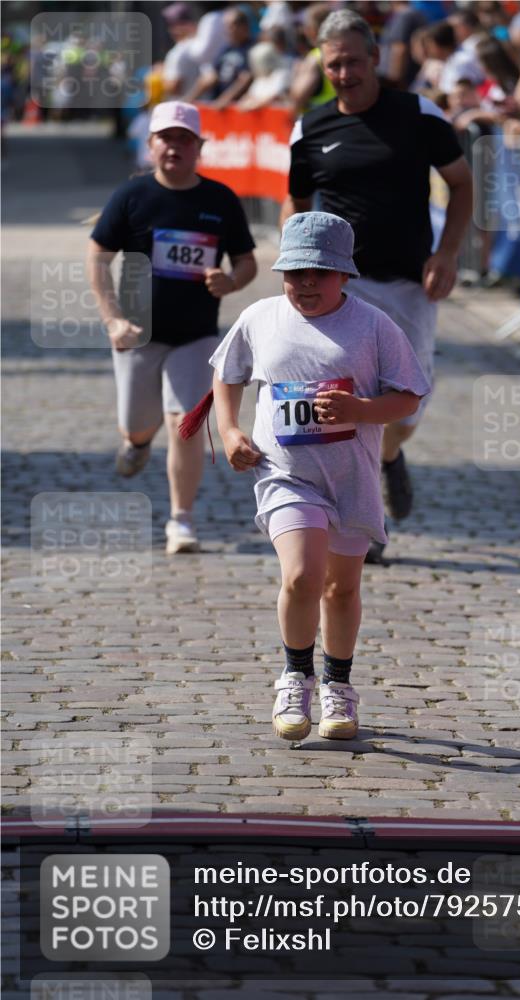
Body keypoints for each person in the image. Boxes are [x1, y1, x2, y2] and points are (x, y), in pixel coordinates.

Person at [210, 212, 430, 741]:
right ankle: (295, 675)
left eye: (320, 273)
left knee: (341, 589)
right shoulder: (261, 318)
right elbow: (227, 372)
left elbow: (408, 395)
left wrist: (359, 409)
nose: (306, 283)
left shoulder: (374, 326)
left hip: (351, 478)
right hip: (286, 474)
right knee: (302, 576)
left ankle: (338, 685)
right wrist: (230, 431)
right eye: (296, 272)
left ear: (345, 276)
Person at [281, 9, 473, 562]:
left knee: (403, 411)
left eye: (354, 62)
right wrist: (299, 270)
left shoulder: (418, 113)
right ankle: (363, 525)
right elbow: (294, 203)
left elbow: (461, 185)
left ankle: (392, 457)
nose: (345, 74)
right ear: (323, 65)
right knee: (345, 403)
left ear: (375, 60)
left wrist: (448, 252)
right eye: (334, 64)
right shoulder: (310, 127)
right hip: (342, 287)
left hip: (410, 283)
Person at [87, 101, 257, 554]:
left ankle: (181, 520)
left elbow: (246, 261)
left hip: (196, 334)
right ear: (152, 144)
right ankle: (136, 442)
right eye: (167, 137)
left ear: (199, 146)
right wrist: (112, 320)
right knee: (138, 423)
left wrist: (232, 280)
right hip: (137, 334)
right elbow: (98, 256)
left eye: (185, 138)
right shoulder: (132, 197)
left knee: (185, 422)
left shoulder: (220, 200)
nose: (175, 146)